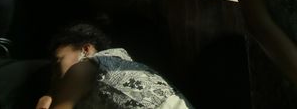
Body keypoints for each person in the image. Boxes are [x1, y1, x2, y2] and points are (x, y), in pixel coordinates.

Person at [36, 23, 192, 109]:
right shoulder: (120, 62)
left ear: (85, 49)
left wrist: (44, 101)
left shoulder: (82, 68)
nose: (54, 76)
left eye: (58, 63)